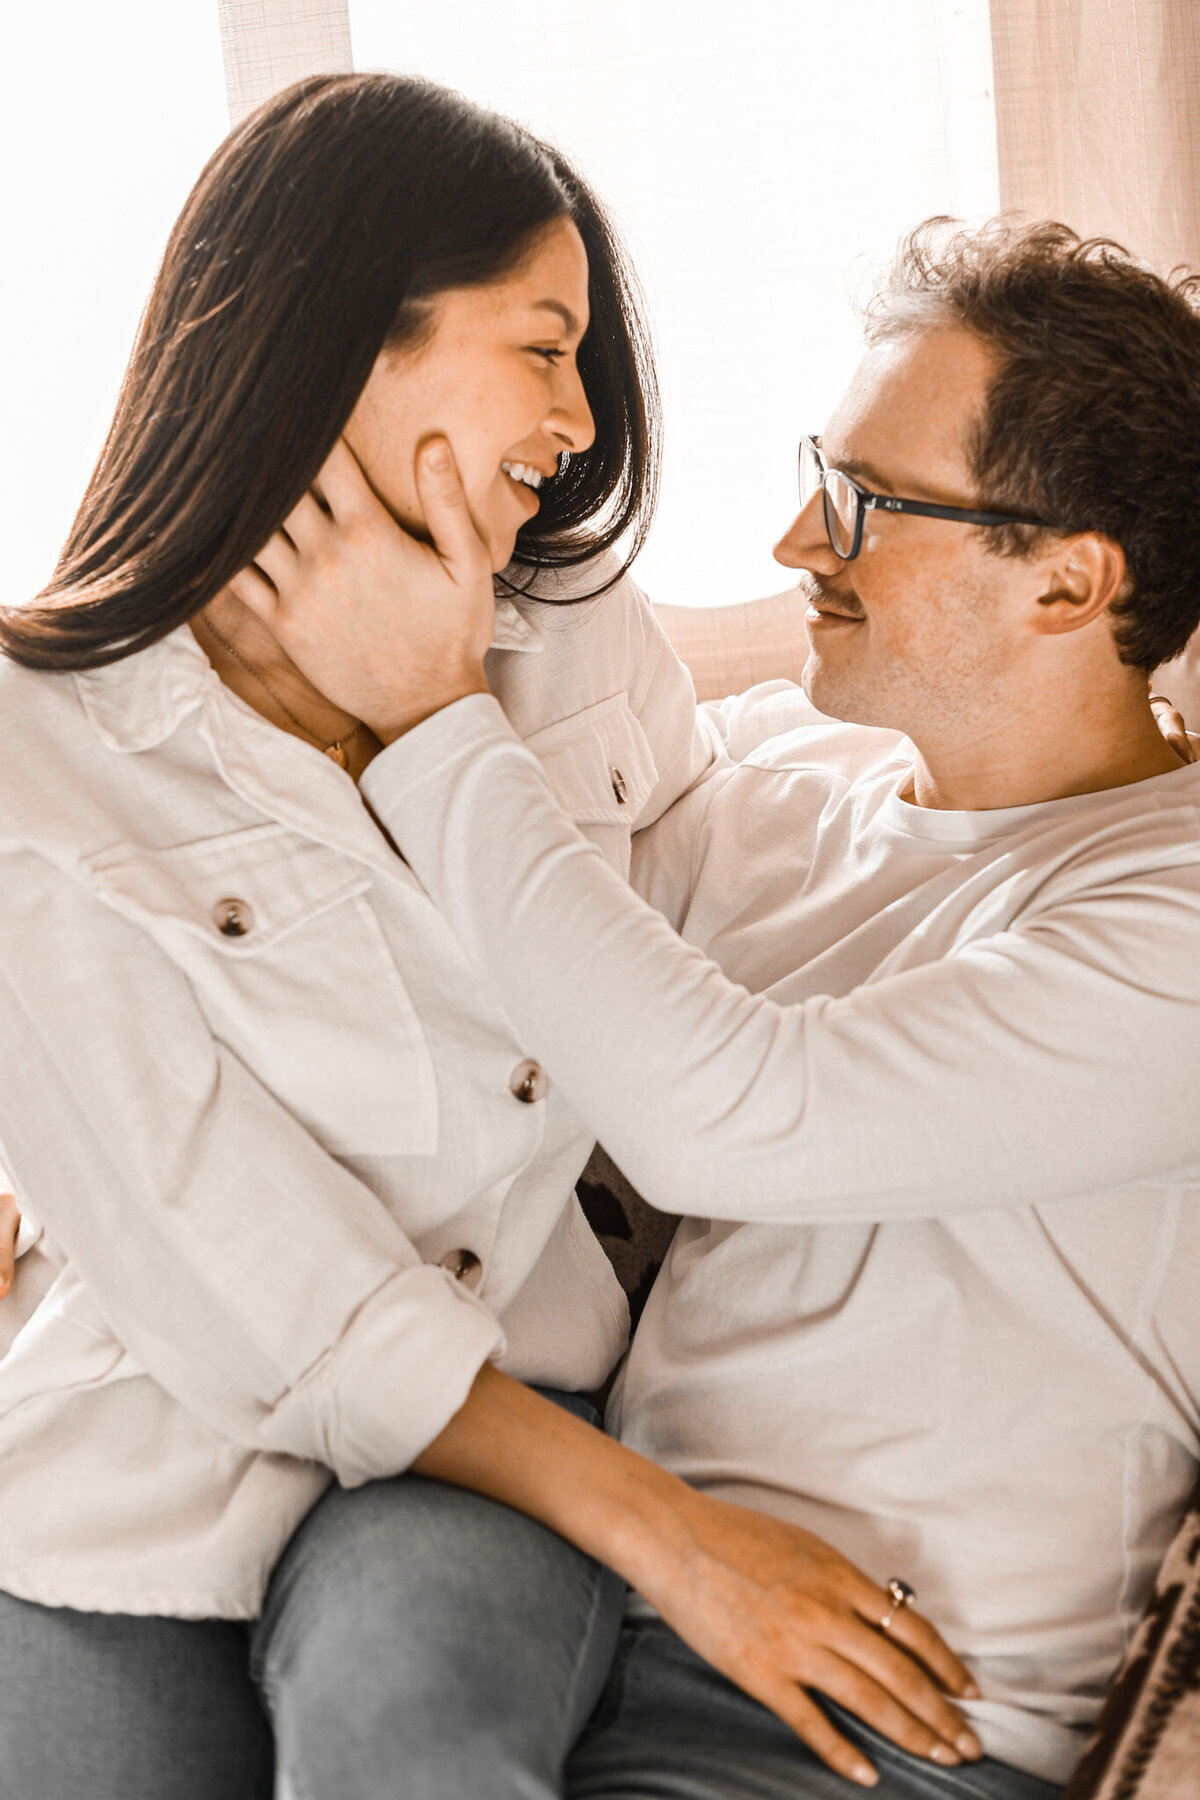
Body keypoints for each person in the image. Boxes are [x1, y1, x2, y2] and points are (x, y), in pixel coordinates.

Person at [0, 73, 981, 1800]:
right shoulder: (32, 736)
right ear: (354, 336)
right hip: (146, 1479)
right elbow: (237, 1266)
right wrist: (681, 1543)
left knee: (420, 1739)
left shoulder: (567, 631)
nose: (579, 414)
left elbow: (713, 883)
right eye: (541, 344)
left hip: (500, 1460)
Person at [240, 218, 1200, 1797]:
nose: (793, 547)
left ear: (1069, 581)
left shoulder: (1164, 919)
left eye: (863, 506)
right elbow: (447, 958)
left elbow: (723, 1114)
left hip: (878, 1722)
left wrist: (432, 714)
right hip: (608, 1575)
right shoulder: (779, 786)